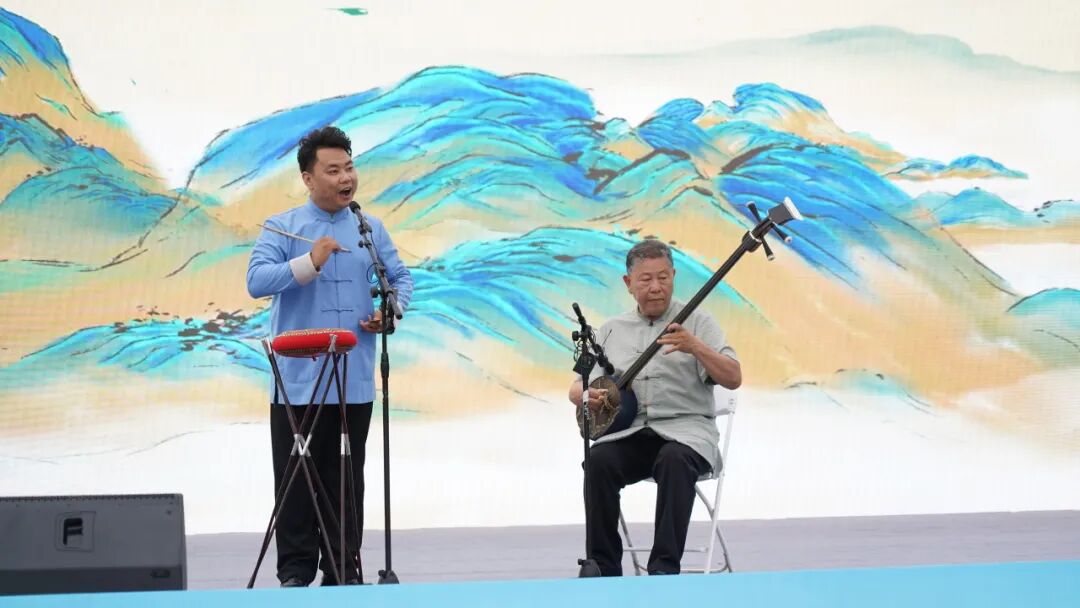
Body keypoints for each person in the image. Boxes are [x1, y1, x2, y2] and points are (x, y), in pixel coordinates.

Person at [247, 126, 414, 587]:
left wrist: (390, 311)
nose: (346, 178)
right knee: (296, 478)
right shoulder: (281, 226)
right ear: (308, 178)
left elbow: (400, 279)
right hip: (298, 382)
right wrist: (310, 262)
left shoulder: (368, 228)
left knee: (346, 477)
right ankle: (295, 572)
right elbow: (256, 282)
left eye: (350, 168)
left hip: (353, 378)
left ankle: (343, 567)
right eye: (333, 170)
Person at [568, 239, 741, 576]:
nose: (656, 287)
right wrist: (586, 395)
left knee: (673, 459)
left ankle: (663, 569)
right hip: (632, 434)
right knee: (598, 461)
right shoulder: (611, 330)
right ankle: (603, 567)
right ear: (628, 283)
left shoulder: (698, 321)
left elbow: (733, 377)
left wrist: (695, 347)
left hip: (686, 433)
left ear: (674, 276)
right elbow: (576, 388)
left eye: (663, 277)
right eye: (646, 279)